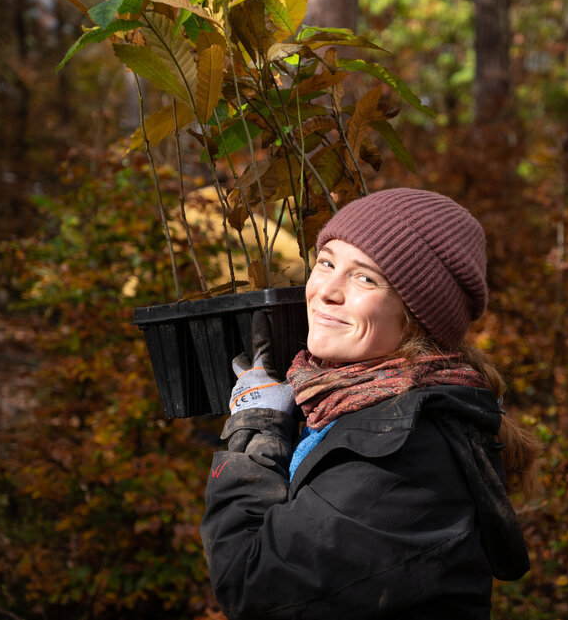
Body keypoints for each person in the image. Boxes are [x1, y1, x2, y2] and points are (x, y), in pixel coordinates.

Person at [200, 188, 539, 619]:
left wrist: (255, 428)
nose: (327, 292)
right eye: (326, 263)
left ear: (416, 316)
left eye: (366, 278)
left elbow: (253, 584)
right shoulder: (337, 403)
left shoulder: (405, 448)